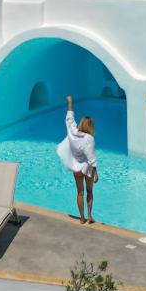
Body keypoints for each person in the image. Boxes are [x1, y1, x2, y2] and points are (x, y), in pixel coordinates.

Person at [57, 96, 98, 224]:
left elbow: (69, 118)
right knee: (89, 190)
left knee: (80, 192)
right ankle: (90, 215)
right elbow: (91, 159)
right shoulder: (88, 139)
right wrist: (95, 172)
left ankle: (82, 218)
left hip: (76, 167)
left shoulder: (72, 131)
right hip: (86, 168)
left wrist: (70, 103)